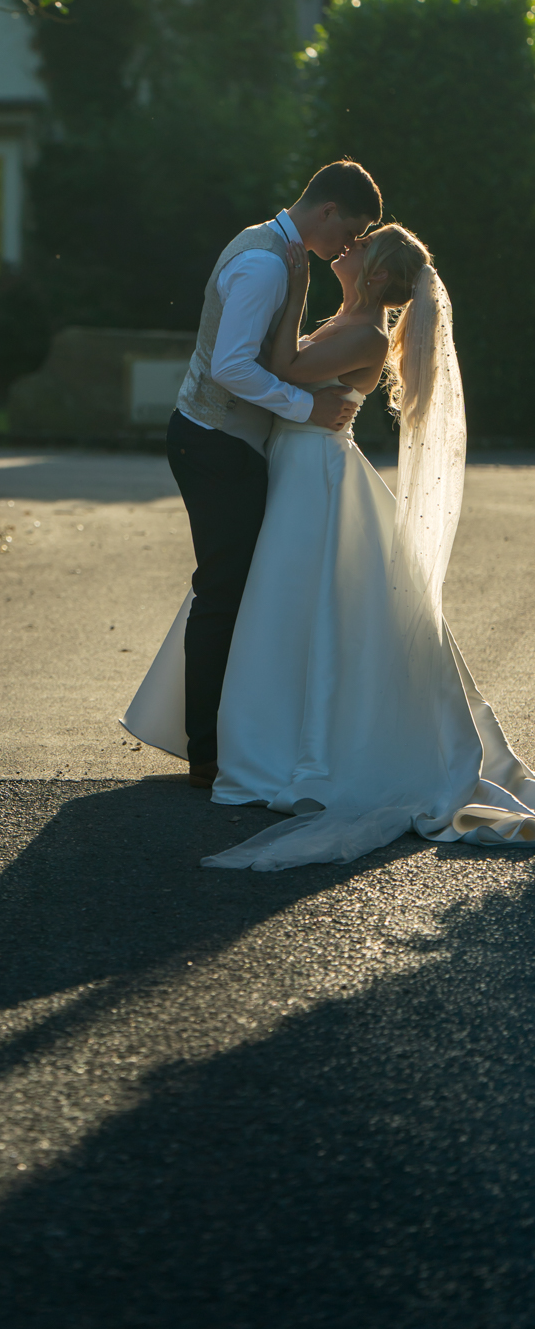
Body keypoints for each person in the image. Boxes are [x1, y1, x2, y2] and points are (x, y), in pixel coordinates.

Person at [124, 220, 535, 869]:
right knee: (270, 598)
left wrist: (292, 289)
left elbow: (283, 367)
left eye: (362, 246)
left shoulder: (363, 333)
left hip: (313, 474)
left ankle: (272, 745)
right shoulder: (350, 321)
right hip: (297, 464)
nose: (348, 246)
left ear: (374, 275)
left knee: (289, 601)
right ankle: (245, 735)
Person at [152, 161, 381, 789]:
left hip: (230, 444)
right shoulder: (264, 262)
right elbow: (231, 366)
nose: (348, 246)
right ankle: (207, 752)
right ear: (328, 211)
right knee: (224, 591)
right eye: (349, 230)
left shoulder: (283, 253)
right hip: (214, 442)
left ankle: (229, 735)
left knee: (239, 590)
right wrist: (308, 407)